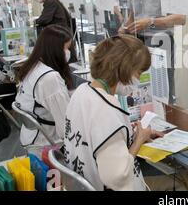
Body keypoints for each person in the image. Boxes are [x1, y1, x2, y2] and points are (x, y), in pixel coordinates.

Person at [64, 35, 164, 191]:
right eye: (138, 73)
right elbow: (118, 177)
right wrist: (138, 141)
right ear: (123, 69)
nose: (138, 80)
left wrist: (131, 136)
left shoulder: (81, 92)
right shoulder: (106, 109)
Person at [116, 0, 186, 102]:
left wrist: (151, 21)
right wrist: (124, 27)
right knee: (140, 89)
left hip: (161, 42)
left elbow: (181, 18)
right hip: (137, 42)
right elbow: (134, 12)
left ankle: (166, 119)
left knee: (162, 89)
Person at [15, 25, 73, 147]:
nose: (68, 53)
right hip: (47, 143)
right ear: (54, 50)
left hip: (30, 136)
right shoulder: (49, 78)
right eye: (66, 48)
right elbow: (66, 126)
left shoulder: (32, 67)